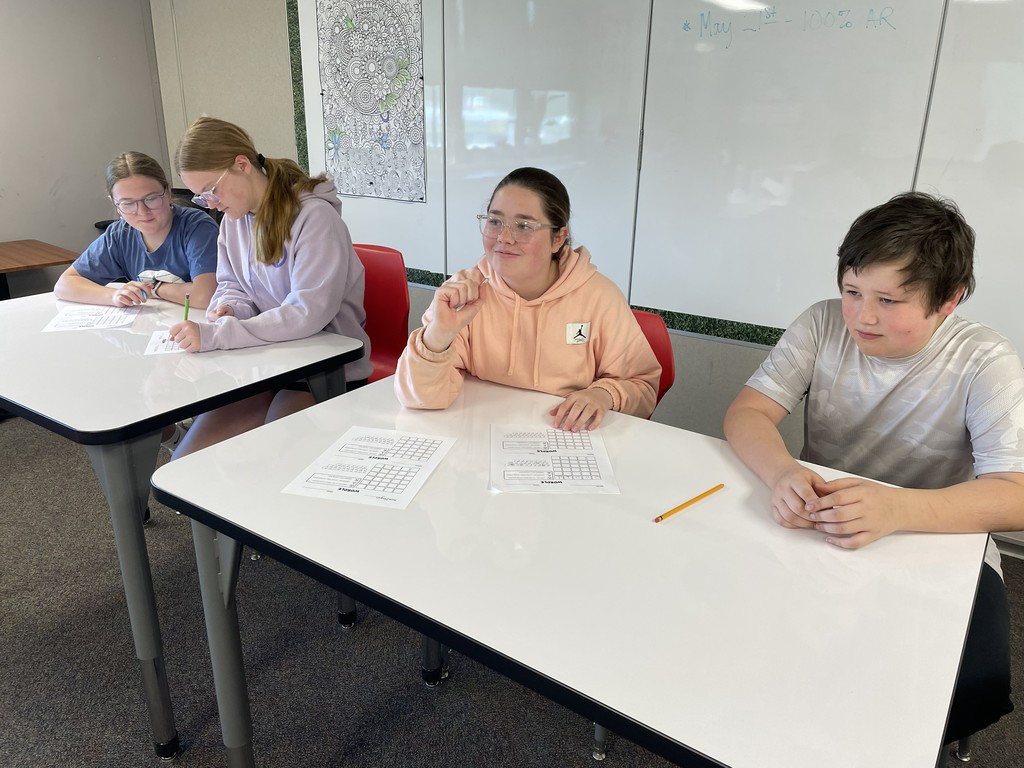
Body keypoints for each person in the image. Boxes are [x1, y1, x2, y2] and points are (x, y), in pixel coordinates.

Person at [722, 191, 1022, 743]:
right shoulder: (820, 324)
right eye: (852, 291)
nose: (862, 316)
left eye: (889, 300)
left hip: (938, 540)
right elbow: (748, 414)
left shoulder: (985, 360)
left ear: (949, 300)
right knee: (740, 635)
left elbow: (1015, 494)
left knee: (969, 683)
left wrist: (897, 507)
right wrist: (783, 473)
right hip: (820, 525)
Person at [395, 166, 660, 431]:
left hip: (564, 440)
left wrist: (603, 395)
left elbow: (643, 388)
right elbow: (419, 398)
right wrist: (439, 334)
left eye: (524, 226)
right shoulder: (463, 293)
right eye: (495, 221)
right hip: (481, 435)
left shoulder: (599, 297)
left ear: (558, 238)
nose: (504, 238)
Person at [168, 116, 373, 457]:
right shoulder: (233, 222)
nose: (212, 204)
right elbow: (233, 285)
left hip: (324, 368)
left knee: (266, 463)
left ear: (242, 165)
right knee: (189, 462)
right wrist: (231, 308)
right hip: (267, 362)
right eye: (201, 199)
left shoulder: (315, 218)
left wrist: (219, 334)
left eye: (211, 191)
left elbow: (306, 314)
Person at [54, 151, 217, 309]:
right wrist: (114, 295)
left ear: (167, 192)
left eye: (151, 199)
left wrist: (154, 288)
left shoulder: (197, 227)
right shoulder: (119, 235)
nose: (142, 212)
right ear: (115, 204)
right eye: (128, 203)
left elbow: (205, 295)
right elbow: (64, 285)